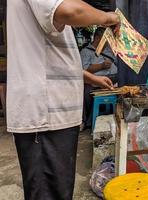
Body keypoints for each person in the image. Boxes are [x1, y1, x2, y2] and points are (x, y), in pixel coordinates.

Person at [7, 0, 120, 200]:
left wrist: (92, 78)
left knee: (58, 191)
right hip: (46, 115)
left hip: (53, 115)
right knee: (49, 193)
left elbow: (55, 56)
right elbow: (69, 10)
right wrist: (109, 17)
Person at [80, 27, 118, 129]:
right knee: (86, 92)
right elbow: (84, 70)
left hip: (113, 79)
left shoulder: (109, 50)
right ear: (97, 38)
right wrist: (101, 66)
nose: (107, 43)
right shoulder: (86, 52)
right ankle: (87, 121)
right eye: (105, 40)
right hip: (94, 81)